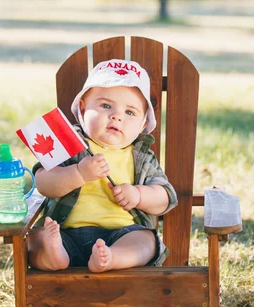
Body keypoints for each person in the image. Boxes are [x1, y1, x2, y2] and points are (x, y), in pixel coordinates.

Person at [28, 59, 177, 273]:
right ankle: (55, 255)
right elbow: (43, 183)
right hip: (64, 233)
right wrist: (79, 172)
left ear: (143, 124)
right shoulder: (70, 143)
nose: (116, 116)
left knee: (146, 241)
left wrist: (138, 195)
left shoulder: (141, 156)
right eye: (106, 106)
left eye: (130, 112)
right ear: (82, 109)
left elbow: (166, 197)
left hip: (122, 233)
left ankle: (112, 257)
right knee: (36, 238)